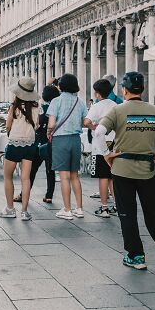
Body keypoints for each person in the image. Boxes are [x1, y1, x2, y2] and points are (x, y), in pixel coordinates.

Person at [95, 72, 155, 269]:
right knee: (153, 212)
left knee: (127, 214)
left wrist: (107, 154)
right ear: (142, 89)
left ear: (124, 90)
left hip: (122, 169)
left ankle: (136, 256)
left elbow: (99, 132)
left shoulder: (117, 110)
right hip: (147, 170)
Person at [0, 77, 39, 221]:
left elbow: (8, 125)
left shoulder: (14, 107)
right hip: (30, 145)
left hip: (14, 143)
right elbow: (37, 125)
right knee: (25, 178)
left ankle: (10, 208)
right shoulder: (36, 107)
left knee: (8, 176)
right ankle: (24, 211)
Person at [47, 73, 87, 220]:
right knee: (75, 175)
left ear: (61, 85)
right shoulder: (80, 102)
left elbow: (51, 124)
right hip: (76, 140)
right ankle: (79, 208)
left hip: (60, 140)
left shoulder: (56, 101)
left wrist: (49, 131)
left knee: (64, 176)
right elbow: (84, 122)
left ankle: (67, 209)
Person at [84, 79, 117, 218]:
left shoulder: (96, 107)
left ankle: (104, 208)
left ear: (97, 94)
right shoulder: (116, 105)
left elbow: (86, 122)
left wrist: (93, 127)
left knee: (103, 177)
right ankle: (117, 206)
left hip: (100, 145)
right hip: (114, 143)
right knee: (113, 177)